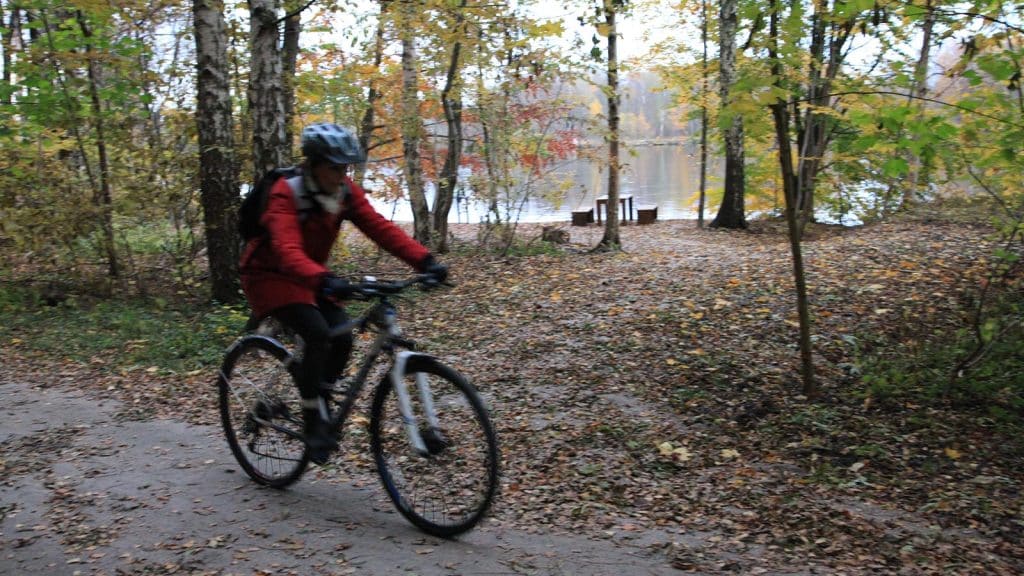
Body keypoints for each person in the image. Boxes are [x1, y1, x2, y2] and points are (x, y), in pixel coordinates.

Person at [239, 123, 448, 464]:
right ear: (313, 163)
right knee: (318, 334)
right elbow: (287, 250)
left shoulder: (343, 192)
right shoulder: (285, 193)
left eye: (345, 167)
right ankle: (312, 422)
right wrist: (325, 280)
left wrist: (424, 261)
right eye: (334, 167)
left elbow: (380, 227)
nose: (341, 174)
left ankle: (316, 394)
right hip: (268, 276)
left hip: (310, 276)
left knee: (344, 338)